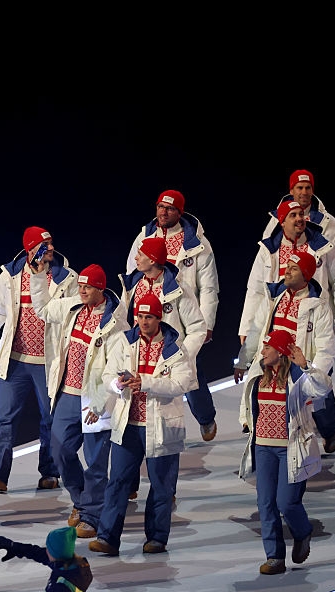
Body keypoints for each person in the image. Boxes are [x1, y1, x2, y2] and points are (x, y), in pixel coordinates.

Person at [87, 292, 194, 556]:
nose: (143, 322)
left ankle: (156, 538)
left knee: (161, 486)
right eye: (140, 317)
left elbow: (181, 384)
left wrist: (145, 382)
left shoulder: (175, 349)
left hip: (161, 428)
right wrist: (112, 389)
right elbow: (109, 374)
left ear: (159, 318)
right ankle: (107, 538)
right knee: (118, 482)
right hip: (129, 425)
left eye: (148, 317)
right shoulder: (124, 342)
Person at [0, 226, 77, 493]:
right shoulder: (10, 276)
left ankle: (50, 472)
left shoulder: (66, 277)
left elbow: (75, 316)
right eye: (43, 245)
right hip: (15, 360)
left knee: (49, 419)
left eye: (51, 244)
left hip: (49, 361)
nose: (49, 249)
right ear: (30, 249)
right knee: (4, 418)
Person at [31, 263, 128, 539]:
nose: (82, 290)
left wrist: (100, 403)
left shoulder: (115, 322)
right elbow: (43, 310)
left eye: (88, 287)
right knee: (60, 450)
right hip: (67, 393)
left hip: (96, 396)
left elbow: (116, 366)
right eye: (81, 285)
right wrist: (39, 276)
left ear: (100, 288)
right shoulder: (73, 307)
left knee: (96, 461)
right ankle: (81, 500)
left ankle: (91, 516)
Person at [126, 190, 219, 441]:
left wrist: (206, 322)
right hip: (146, 320)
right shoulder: (145, 236)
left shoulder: (196, 242)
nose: (163, 212)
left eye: (169, 208)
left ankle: (205, 416)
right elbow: (132, 274)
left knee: (189, 372)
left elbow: (208, 287)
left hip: (179, 317)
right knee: (146, 375)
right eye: (159, 207)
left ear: (179, 212)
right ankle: (148, 429)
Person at [237, 329, 331, 575]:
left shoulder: (298, 378)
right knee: (265, 503)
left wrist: (306, 365)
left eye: (268, 348)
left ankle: (302, 532)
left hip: (291, 449)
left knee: (286, 503)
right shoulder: (258, 376)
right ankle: (274, 557)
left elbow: (323, 389)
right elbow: (248, 402)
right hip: (263, 448)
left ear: (280, 352)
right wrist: (245, 421)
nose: (263, 351)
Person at [237, 234, 335, 454]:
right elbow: (257, 330)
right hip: (275, 364)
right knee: (267, 404)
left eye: (294, 268)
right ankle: (271, 448)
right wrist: (243, 360)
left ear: (305, 274)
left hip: (302, 365)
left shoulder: (319, 307)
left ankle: (330, 432)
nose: (287, 270)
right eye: (288, 266)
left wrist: (314, 372)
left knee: (322, 407)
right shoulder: (275, 298)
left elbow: (325, 347)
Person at [118, 237, 205, 499]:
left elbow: (197, 328)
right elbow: (124, 322)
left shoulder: (178, 289)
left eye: (141, 255)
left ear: (153, 260)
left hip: (165, 369)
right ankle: (129, 486)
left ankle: (165, 490)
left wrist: (178, 357)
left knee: (162, 428)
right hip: (135, 360)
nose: (136, 259)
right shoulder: (133, 284)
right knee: (129, 420)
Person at [259, 169, 335, 265]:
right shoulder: (277, 219)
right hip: (282, 276)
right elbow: (266, 251)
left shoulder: (327, 221)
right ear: (292, 191)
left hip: (316, 276)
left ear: (312, 190)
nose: (304, 192)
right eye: (300, 188)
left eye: (308, 188)